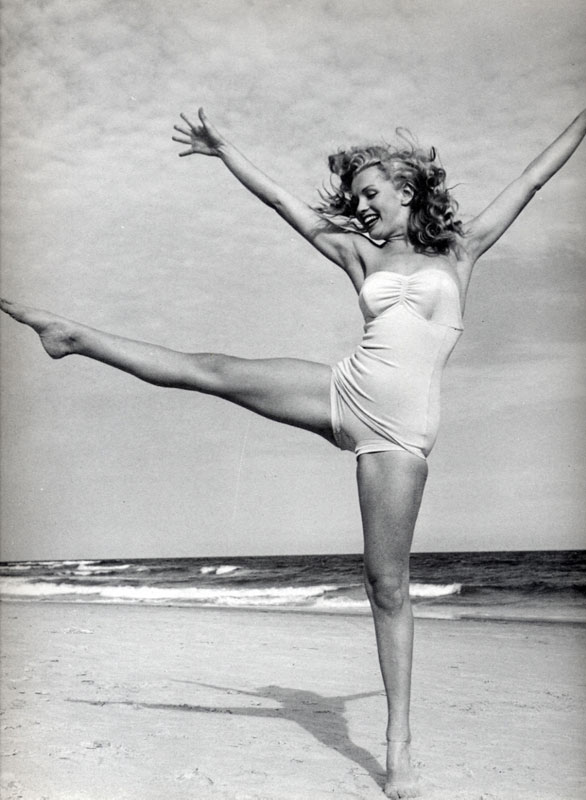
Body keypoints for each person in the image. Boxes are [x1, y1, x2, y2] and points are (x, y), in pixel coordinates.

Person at [2, 106, 585, 799]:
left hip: (399, 434)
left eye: (371, 193)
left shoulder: (462, 250)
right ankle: (72, 337)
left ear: (408, 189)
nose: (361, 207)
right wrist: (226, 150)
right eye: (356, 197)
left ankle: (398, 743)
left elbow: (533, 178)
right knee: (213, 369)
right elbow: (285, 205)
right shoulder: (361, 254)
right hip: (344, 389)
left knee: (387, 584)